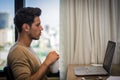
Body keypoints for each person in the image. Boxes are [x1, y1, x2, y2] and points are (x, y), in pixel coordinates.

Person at [7, 7, 59, 80]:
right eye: (37, 25)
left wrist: (49, 64)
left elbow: (36, 73)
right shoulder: (17, 52)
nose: (41, 28)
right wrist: (46, 63)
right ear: (26, 27)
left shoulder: (27, 48)